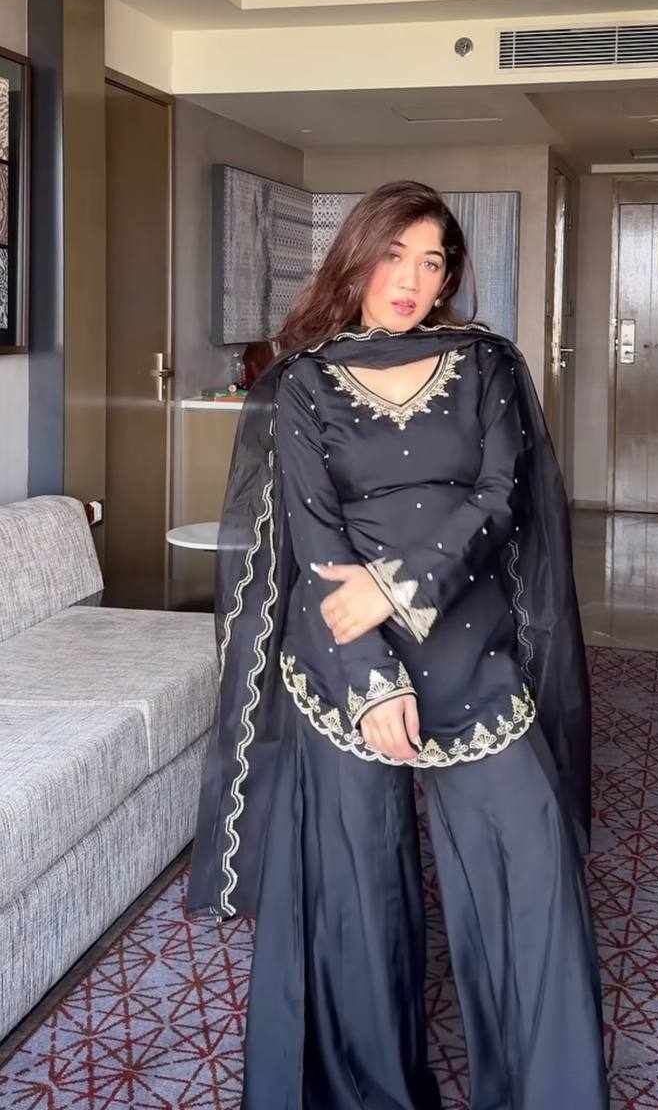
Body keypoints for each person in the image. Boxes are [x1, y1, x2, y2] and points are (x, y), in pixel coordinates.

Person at [186, 180, 611, 1109]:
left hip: (469, 644)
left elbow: (500, 497)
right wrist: (372, 678)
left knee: (528, 867)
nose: (411, 280)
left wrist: (398, 583)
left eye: (432, 262)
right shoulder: (302, 381)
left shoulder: (485, 363)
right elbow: (312, 541)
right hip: (342, 657)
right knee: (356, 892)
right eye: (393, 256)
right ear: (356, 257)